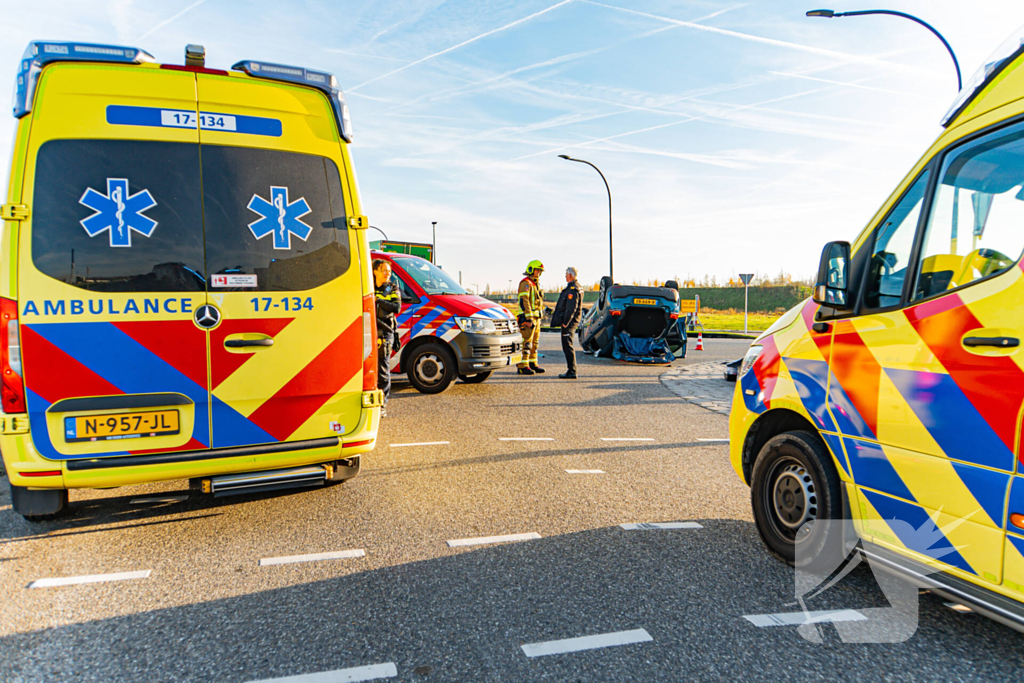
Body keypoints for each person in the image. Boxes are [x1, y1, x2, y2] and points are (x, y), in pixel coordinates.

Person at [373, 259, 401, 415]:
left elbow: (396, 307)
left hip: (385, 331)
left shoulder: (392, 289)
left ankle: (382, 404)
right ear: (375, 271)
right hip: (369, 330)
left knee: (383, 367)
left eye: (389, 271)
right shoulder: (367, 287)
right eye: (384, 270)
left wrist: (379, 301)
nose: (387, 274)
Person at [551, 266, 583, 378]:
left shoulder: (572, 289)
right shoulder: (577, 287)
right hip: (572, 321)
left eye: (566, 274)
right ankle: (571, 370)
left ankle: (572, 371)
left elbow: (571, 308)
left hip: (569, 322)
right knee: (567, 345)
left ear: (570, 275)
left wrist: (565, 322)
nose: (565, 276)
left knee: (567, 345)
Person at [517, 259, 546, 375]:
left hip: (536, 318)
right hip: (528, 318)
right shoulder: (526, 283)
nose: (538, 272)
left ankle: (532, 363)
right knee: (526, 342)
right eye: (537, 270)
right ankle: (522, 365)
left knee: (535, 343)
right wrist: (528, 318)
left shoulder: (536, 284)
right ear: (531, 270)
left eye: (540, 271)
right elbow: (524, 301)